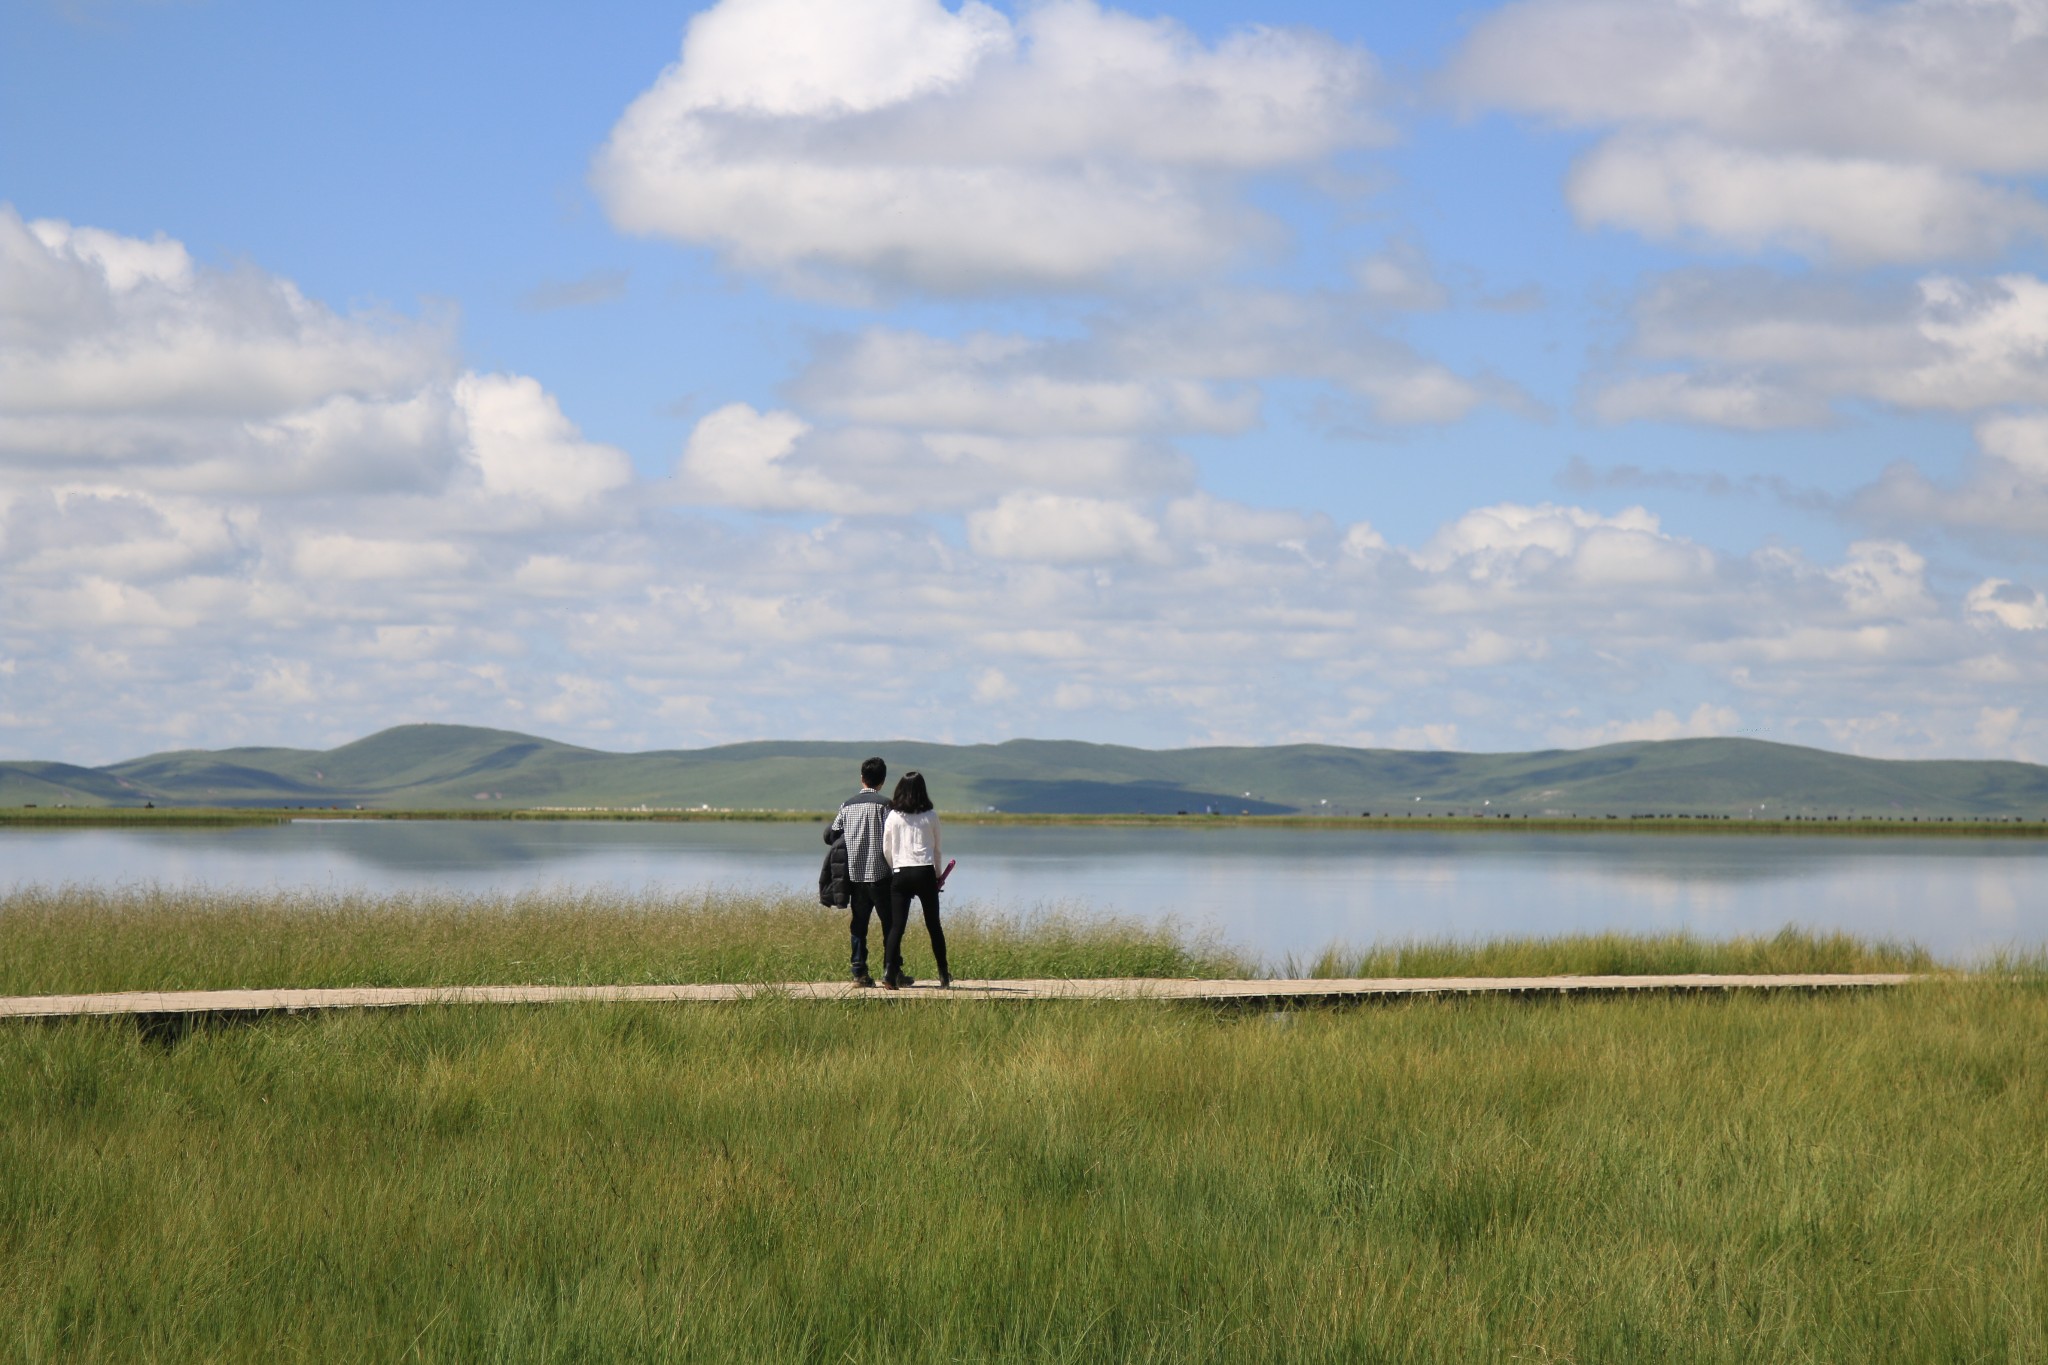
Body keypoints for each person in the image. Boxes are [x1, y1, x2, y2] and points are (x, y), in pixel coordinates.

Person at [881, 770, 951, 990]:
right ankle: (943, 974)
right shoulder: (931, 815)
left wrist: (896, 869)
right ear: (922, 790)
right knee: (933, 925)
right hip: (925, 872)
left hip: (901, 872)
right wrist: (938, 876)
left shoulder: (893, 816)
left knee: (897, 927)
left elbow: (886, 848)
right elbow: (937, 849)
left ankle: (889, 973)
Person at [826, 756, 892, 988]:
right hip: (882, 874)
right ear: (882, 781)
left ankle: (859, 972)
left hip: (854, 875)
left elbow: (832, 834)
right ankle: (891, 972)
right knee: (890, 925)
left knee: (859, 925)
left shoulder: (847, 805)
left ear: (862, 778)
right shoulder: (886, 805)